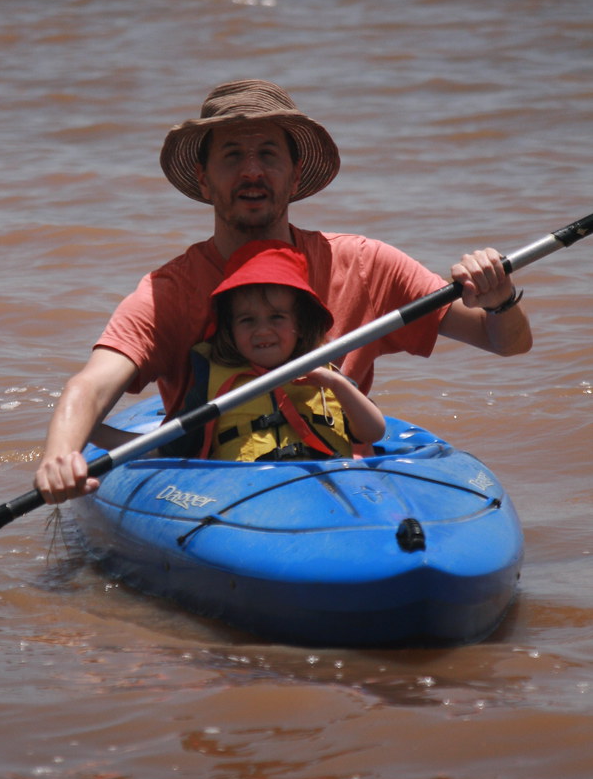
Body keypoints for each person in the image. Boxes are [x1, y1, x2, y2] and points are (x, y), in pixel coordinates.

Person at [35, 79, 532, 504]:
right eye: (232, 156)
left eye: (268, 155)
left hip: (340, 474)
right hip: (219, 483)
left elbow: (505, 341)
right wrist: (61, 454)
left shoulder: (364, 262)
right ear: (205, 181)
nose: (252, 171)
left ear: (295, 177)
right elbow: (92, 385)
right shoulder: (171, 289)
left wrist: (499, 299)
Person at [168, 239, 386, 461]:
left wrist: (335, 383)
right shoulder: (210, 382)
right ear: (230, 328)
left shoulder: (325, 376)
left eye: (276, 317)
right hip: (248, 488)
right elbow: (176, 447)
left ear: (301, 325)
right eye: (247, 320)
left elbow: (374, 432)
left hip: (322, 484)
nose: (262, 331)